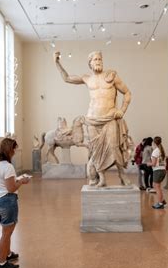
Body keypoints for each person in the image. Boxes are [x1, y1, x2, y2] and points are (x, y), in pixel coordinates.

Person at [54, 51, 131, 187]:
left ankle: (122, 174)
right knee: (96, 150)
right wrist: (57, 63)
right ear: (90, 63)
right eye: (95, 59)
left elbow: (127, 93)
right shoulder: (87, 78)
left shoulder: (111, 75)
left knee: (114, 146)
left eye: (100, 59)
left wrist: (122, 110)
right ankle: (101, 178)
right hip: (92, 119)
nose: (98, 61)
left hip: (109, 117)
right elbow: (66, 78)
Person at [0, 138, 30, 268]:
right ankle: (2, 263)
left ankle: (7, 254)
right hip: (7, 202)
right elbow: (11, 188)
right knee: (6, 234)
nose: (15, 152)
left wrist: (16, 180)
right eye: (14, 149)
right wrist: (22, 181)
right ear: (9, 150)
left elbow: (4, 183)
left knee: (6, 230)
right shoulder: (8, 167)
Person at [150, 136, 167, 209]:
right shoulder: (161, 150)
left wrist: (148, 164)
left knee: (157, 187)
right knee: (157, 186)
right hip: (162, 170)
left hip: (158, 170)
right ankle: (162, 200)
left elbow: (153, 163)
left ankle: (160, 203)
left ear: (154, 143)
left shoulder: (155, 151)